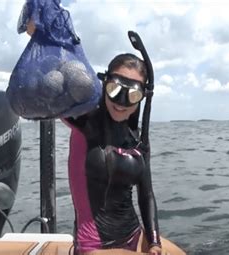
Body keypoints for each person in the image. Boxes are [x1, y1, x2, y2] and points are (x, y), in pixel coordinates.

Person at [63, 53, 164, 255]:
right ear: (105, 84)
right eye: (115, 89)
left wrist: (154, 243)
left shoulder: (137, 138)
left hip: (134, 236)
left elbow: (146, 194)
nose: (121, 102)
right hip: (93, 246)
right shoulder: (85, 121)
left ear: (142, 96)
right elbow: (44, 95)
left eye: (132, 95)